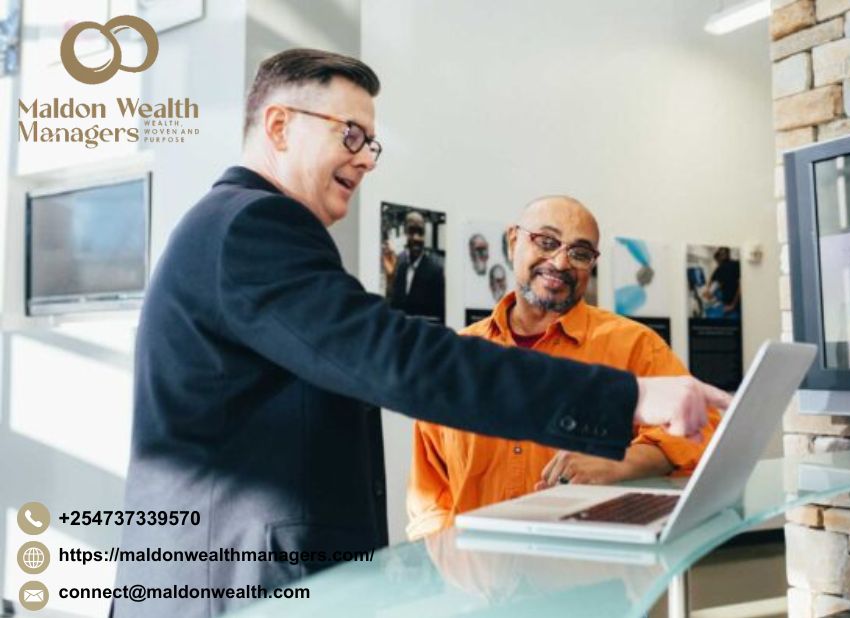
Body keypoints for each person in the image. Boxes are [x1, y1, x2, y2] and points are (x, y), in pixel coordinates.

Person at [112, 50, 729, 618]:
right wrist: (627, 397)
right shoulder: (253, 225)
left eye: (371, 143)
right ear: (278, 127)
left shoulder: (235, 226)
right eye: (350, 134)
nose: (364, 158)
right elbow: (400, 360)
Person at [407, 196, 721, 539]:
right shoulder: (457, 358)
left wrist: (620, 462)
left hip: (589, 563)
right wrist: (449, 558)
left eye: (580, 252)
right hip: (478, 566)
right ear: (513, 241)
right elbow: (429, 496)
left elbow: (701, 432)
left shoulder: (635, 345)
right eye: (546, 241)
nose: (560, 262)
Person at [384, 210, 445, 323]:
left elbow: (439, 317)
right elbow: (392, 307)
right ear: (405, 233)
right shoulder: (398, 263)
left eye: (420, 232)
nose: (416, 238)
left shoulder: (436, 270)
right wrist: (390, 279)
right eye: (411, 231)